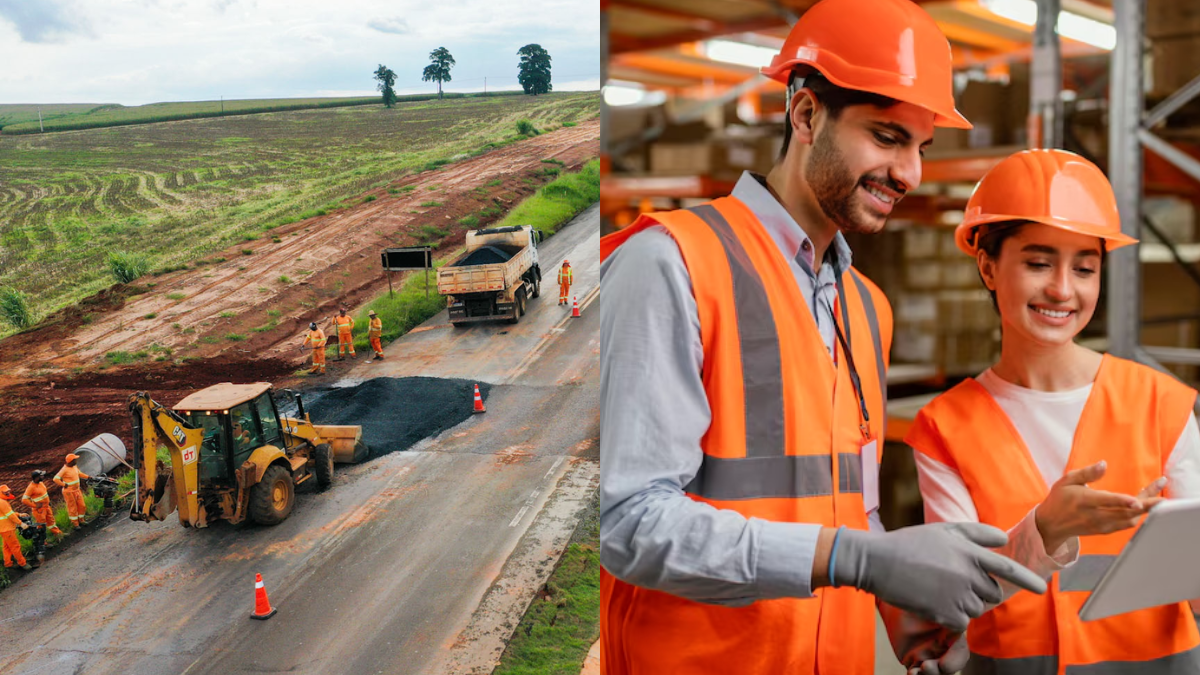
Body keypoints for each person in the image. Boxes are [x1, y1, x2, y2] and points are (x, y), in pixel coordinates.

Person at [598, 1, 1046, 673]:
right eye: (887, 137)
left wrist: (899, 603)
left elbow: (846, 504)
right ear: (806, 115)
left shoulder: (866, 308)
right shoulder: (671, 264)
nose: (911, 174)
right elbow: (626, 523)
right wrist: (856, 559)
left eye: (921, 148)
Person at [906, 148, 1200, 672]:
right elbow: (952, 597)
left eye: (1085, 268)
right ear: (988, 266)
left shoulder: (1163, 403)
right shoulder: (944, 428)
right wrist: (1044, 529)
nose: (1063, 289)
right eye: (1038, 263)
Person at [53, 453, 90, 529]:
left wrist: (88, 477)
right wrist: (63, 484)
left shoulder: (74, 467)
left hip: (77, 490)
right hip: (69, 492)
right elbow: (55, 479)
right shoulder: (64, 469)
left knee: (82, 505)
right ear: (71, 461)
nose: (76, 461)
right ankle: (75, 524)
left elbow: (80, 474)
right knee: (72, 508)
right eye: (75, 460)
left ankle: (81, 520)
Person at [22, 470, 63, 536]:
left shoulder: (41, 483)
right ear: (37, 477)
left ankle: (57, 533)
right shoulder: (31, 487)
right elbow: (24, 500)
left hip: (46, 507)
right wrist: (34, 506)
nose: (43, 477)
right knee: (41, 525)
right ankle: (42, 541)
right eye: (41, 476)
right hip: (39, 510)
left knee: (51, 521)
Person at [0, 485, 32, 570]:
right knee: (15, 546)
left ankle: (8, 563)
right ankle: (22, 563)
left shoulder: (2, 501)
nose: (8, 493)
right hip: (7, 528)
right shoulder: (2, 502)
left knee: (7, 547)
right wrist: (21, 523)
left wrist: (19, 514)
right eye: (5, 492)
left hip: (3, 528)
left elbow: (8, 513)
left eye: (8, 491)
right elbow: (10, 515)